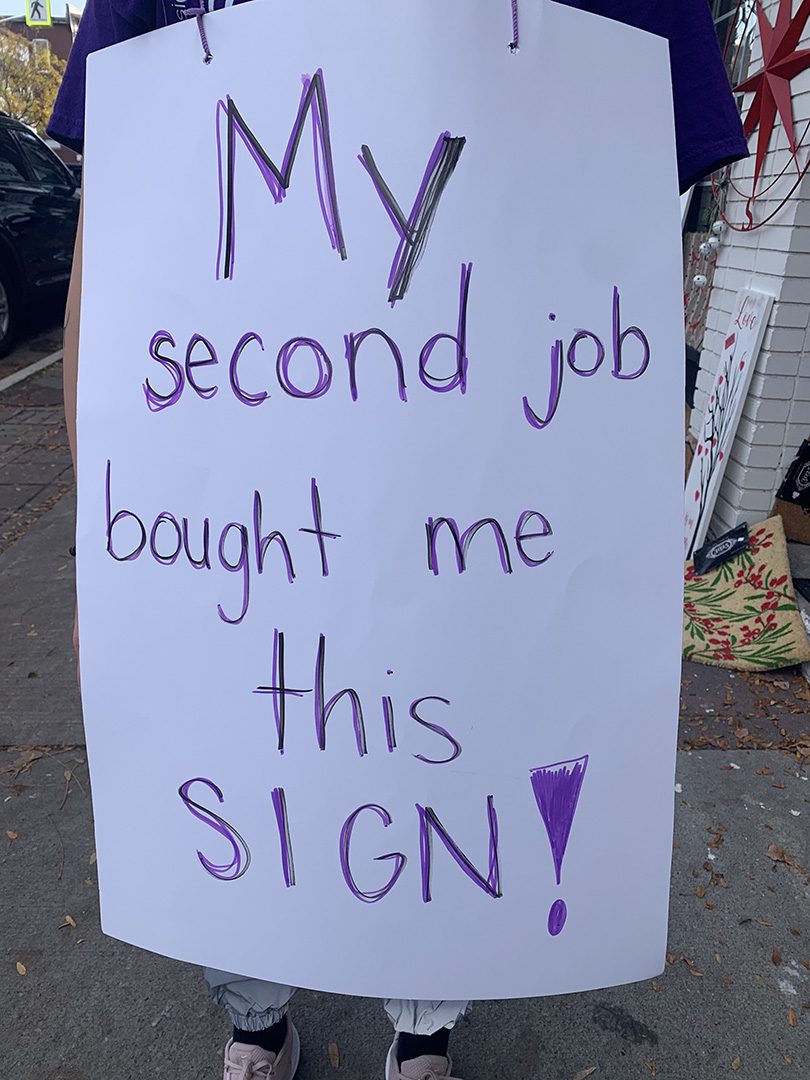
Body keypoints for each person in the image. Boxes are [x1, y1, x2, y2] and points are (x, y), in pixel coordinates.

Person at [48, 1, 747, 1077]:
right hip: (233, 483)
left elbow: (651, 201)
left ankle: (428, 1024)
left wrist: (626, 520)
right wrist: (103, 518)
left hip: (486, 482)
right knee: (247, 733)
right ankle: (254, 1014)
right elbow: (118, 199)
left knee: (456, 736)